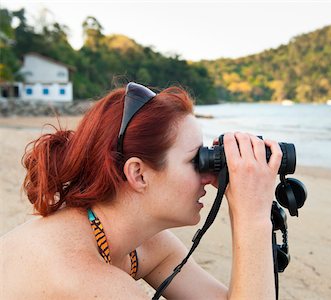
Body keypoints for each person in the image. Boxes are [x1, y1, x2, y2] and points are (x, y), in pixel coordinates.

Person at [0, 82, 282, 299]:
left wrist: (246, 200)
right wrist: (252, 216)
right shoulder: (85, 277)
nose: (208, 176)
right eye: (193, 160)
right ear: (138, 174)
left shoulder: (141, 244)